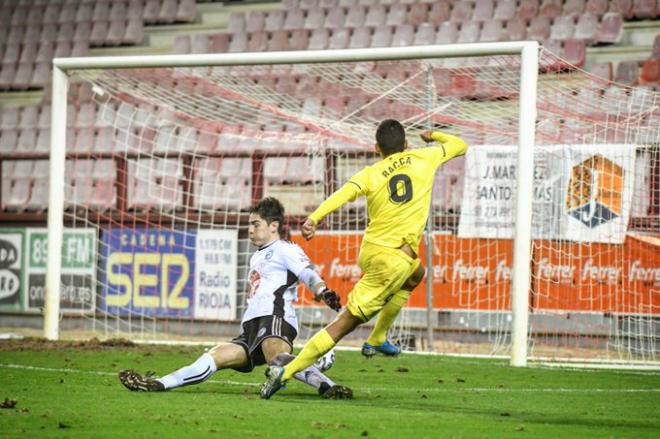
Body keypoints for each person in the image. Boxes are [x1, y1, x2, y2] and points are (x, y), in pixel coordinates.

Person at [261, 119, 467, 399]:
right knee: (345, 323)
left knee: (417, 273)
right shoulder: (425, 156)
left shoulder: (372, 172)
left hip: (372, 252)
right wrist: (432, 135)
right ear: (406, 144)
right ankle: (286, 372)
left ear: (376, 149)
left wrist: (314, 218)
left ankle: (379, 337)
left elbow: (343, 194)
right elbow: (459, 145)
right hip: (391, 261)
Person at [119, 197, 353, 400]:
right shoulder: (257, 256)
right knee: (215, 356)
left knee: (277, 359)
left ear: (274, 226)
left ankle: (328, 386)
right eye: (249, 225)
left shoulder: (284, 249)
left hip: (274, 317)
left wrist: (322, 290)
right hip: (251, 328)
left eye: (255, 224)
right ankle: (159, 383)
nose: (250, 230)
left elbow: (308, 273)